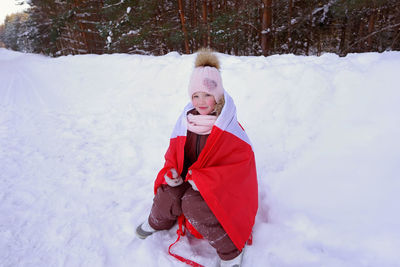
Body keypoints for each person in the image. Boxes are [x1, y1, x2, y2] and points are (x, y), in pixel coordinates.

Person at [136, 48, 258, 267]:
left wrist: (203, 181)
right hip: (190, 179)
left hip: (214, 187)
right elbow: (174, 153)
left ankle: (230, 251)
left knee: (193, 203)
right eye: (196, 96)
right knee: (168, 193)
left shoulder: (229, 128)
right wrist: (173, 172)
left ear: (218, 96)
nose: (201, 102)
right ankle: (157, 222)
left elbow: (237, 170)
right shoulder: (187, 120)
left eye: (207, 95)